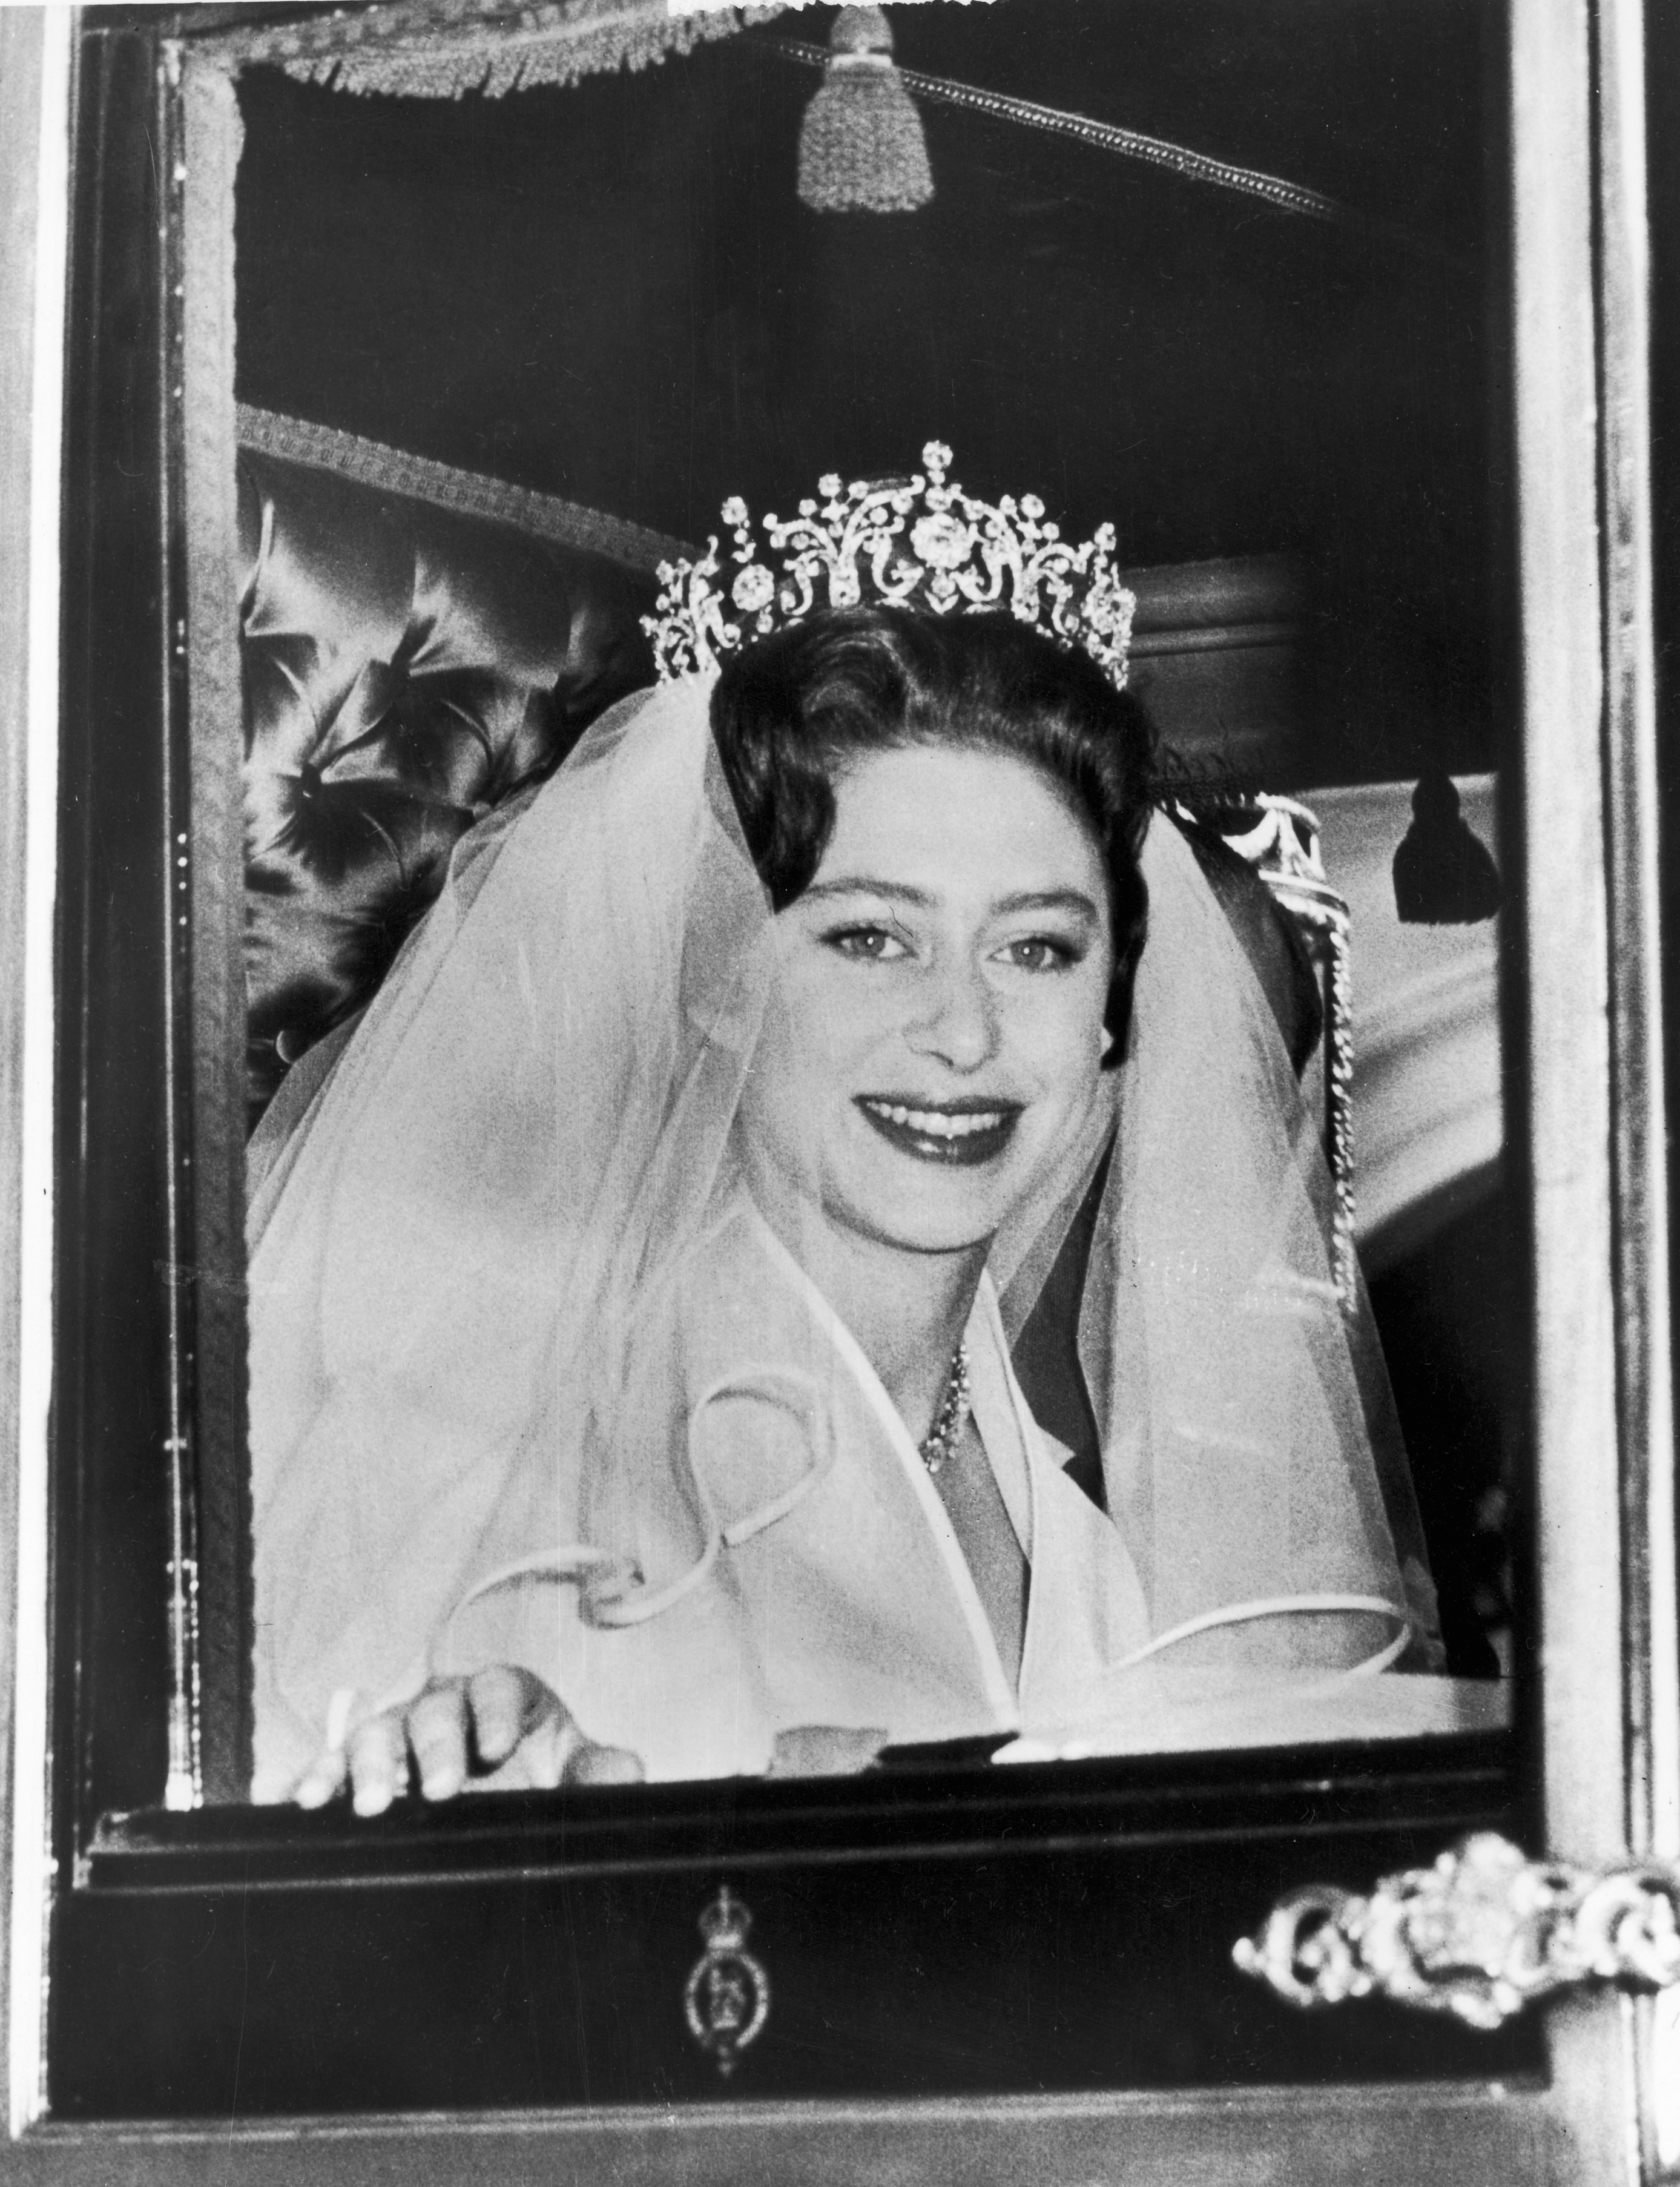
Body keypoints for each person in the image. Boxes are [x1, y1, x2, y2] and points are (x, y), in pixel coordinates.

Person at [248, 471, 1439, 1813]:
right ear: (714, 973)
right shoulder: (495, 1474)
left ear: (1111, 1011)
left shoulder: (1070, 1515)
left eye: (1037, 947)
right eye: (869, 936)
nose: (964, 1031)